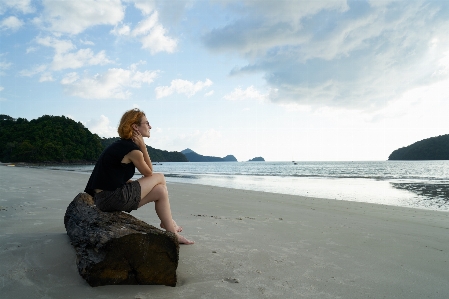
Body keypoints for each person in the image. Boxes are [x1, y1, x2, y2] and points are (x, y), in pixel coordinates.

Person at [84, 108, 194, 245]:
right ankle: (170, 226)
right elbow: (149, 173)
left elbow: (112, 176)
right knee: (159, 177)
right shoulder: (133, 150)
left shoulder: (120, 146)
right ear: (135, 127)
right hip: (112, 198)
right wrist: (143, 146)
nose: (150, 126)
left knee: (160, 191)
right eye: (147, 123)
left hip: (104, 200)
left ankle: (170, 228)